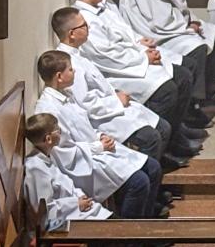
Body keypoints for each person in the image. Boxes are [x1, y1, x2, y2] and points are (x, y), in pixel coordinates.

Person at [68, 0, 203, 163]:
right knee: (166, 90)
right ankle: (164, 147)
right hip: (117, 72)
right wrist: (143, 57)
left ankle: (173, 137)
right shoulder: (85, 18)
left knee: (182, 76)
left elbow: (124, 34)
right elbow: (106, 55)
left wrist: (141, 47)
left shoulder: (104, 7)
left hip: (131, 60)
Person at [34, 51, 162, 219]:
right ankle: (130, 232)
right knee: (138, 182)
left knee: (153, 168)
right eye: (70, 69)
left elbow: (84, 125)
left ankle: (147, 223)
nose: (74, 72)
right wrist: (98, 146)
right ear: (59, 76)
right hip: (82, 165)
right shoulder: (48, 110)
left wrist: (100, 135)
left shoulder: (66, 94)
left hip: (96, 150)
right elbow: (63, 153)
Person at [49, 6, 183, 164]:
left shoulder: (78, 53)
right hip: (103, 117)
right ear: (72, 34)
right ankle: (149, 173)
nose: (88, 27)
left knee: (164, 127)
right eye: (84, 25)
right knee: (151, 138)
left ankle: (156, 168)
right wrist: (116, 101)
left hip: (112, 102)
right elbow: (85, 104)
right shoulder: (68, 65)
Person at [23, 113, 112, 231]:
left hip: (81, 211)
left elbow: (65, 185)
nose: (60, 132)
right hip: (66, 222)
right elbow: (42, 212)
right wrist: (76, 204)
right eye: (57, 130)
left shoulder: (47, 156)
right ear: (48, 139)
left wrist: (80, 196)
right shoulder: (35, 168)